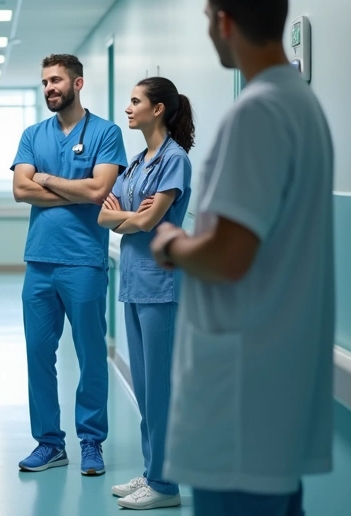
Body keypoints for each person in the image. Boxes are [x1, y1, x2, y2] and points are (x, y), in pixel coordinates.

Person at [149, 0, 335, 516]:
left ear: (224, 21)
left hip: (240, 395)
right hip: (276, 381)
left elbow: (230, 255)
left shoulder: (256, 113)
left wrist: (172, 245)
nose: (209, 28)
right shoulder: (302, 105)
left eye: (208, 16)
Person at [11, 53, 128, 476]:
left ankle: (91, 441)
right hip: (39, 261)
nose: (49, 88)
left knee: (91, 355)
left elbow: (100, 190)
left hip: (84, 261)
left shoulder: (106, 133)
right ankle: (48, 443)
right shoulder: (32, 134)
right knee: (38, 354)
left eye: (56, 80)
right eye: (44, 82)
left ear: (78, 83)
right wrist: (73, 189)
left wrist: (47, 178)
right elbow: (20, 190)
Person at [98, 77, 194, 510]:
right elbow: (106, 215)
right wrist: (127, 218)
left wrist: (130, 218)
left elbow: (148, 221)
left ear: (158, 109)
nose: (128, 109)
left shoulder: (175, 160)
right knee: (143, 387)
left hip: (162, 284)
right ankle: (153, 471)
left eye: (135, 101)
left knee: (160, 388)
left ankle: (166, 485)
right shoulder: (137, 163)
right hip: (136, 282)